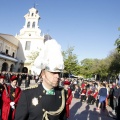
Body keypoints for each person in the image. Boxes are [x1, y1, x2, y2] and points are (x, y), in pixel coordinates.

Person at [15, 35, 67, 120]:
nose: (57, 76)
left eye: (58, 73)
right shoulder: (28, 94)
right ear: (43, 74)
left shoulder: (62, 93)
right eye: (53, 72)